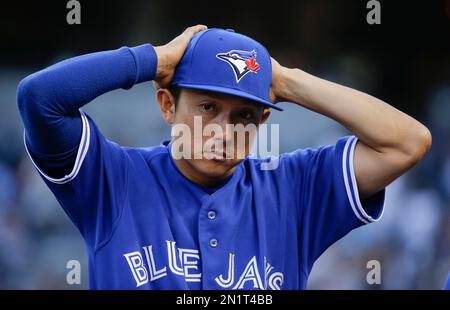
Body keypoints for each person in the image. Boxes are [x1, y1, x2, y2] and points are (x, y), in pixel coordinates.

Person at [16, 25, 431, 289]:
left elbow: (408, 142)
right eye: (207, 107)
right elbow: (40, 99)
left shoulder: (294, 188)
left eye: (244, 115)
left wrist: (287, 81)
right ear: (166, 105)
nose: (223, 131)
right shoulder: (113, 179)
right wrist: (153, 60)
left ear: (262, 119)